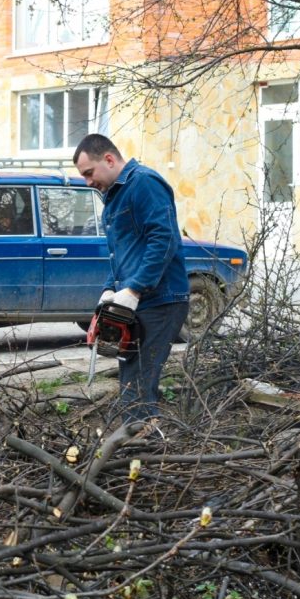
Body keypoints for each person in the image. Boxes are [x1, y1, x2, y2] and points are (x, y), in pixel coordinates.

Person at [73, 134, 189, 424]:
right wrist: (110, 288)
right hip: (139, 304)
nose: (88, 182)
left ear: (109, 159)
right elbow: (122, 252)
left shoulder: (144, 183)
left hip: (161, 301)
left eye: (89, 173)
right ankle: (140, 446)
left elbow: (163, 239)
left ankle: (143, 450)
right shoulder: (115, 195)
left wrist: (135, 289)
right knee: (132, 382)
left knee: (137, 387)